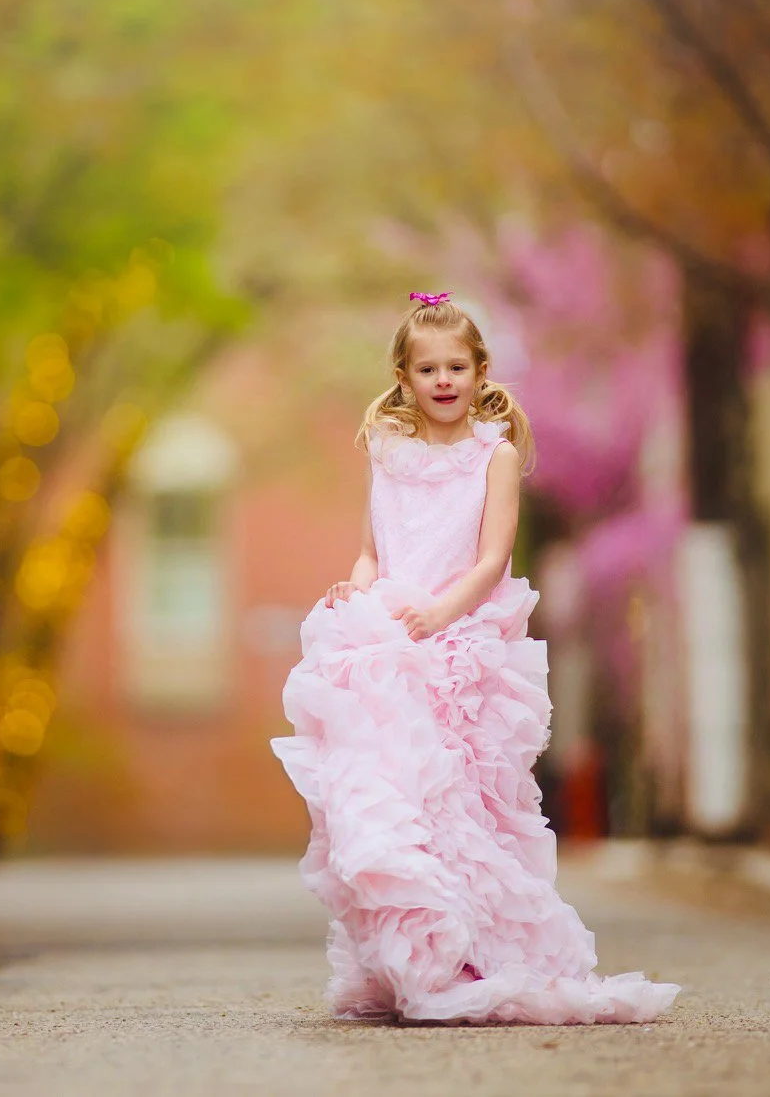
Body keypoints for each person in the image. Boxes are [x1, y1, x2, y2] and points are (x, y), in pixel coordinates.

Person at [270, 292, 681, 1025]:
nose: (444, 380)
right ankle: (414, 954)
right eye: (428, 369)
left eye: (457, 366)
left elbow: (492, 559)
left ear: (481, 370)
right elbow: (372, 551)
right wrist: (355, 593)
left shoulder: (492, 456)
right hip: (394, 642)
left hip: (462, 640)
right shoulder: (387, 456)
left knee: (465, 804)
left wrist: (439, 614)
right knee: (397, 799)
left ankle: (477, 952)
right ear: (403, 377)